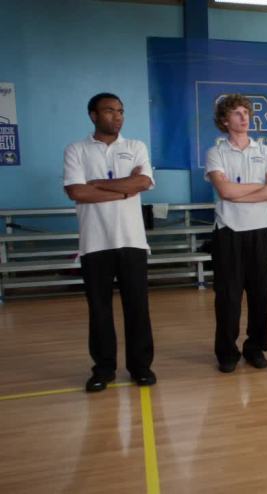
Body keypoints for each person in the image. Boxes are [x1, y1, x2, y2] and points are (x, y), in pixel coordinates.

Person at [63, 92, 157, 392]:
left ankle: (141, 367)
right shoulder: (76, 150)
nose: (117, 116)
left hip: (132, 241)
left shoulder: (135, 146)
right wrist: (125, 190)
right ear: (93, 115)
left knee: (137, 308)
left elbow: (143, 182)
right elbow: (77, 192)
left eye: (120, 111)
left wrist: (100, 184)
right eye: (109, 111)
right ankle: (103, 369)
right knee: (99, 310)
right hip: (95, 243)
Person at [205, 94, 267, 373]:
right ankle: (227, 352)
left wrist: (239, 193)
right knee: (228, 296)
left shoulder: (265, 151)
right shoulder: (216, 153)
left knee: (262, 295)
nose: (244, 117)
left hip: (260, 230)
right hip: (229, 231)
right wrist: (258, 188)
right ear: (225, 120)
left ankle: (255, 348)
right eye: (237, 113)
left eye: (246, 112)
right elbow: (224, 191)